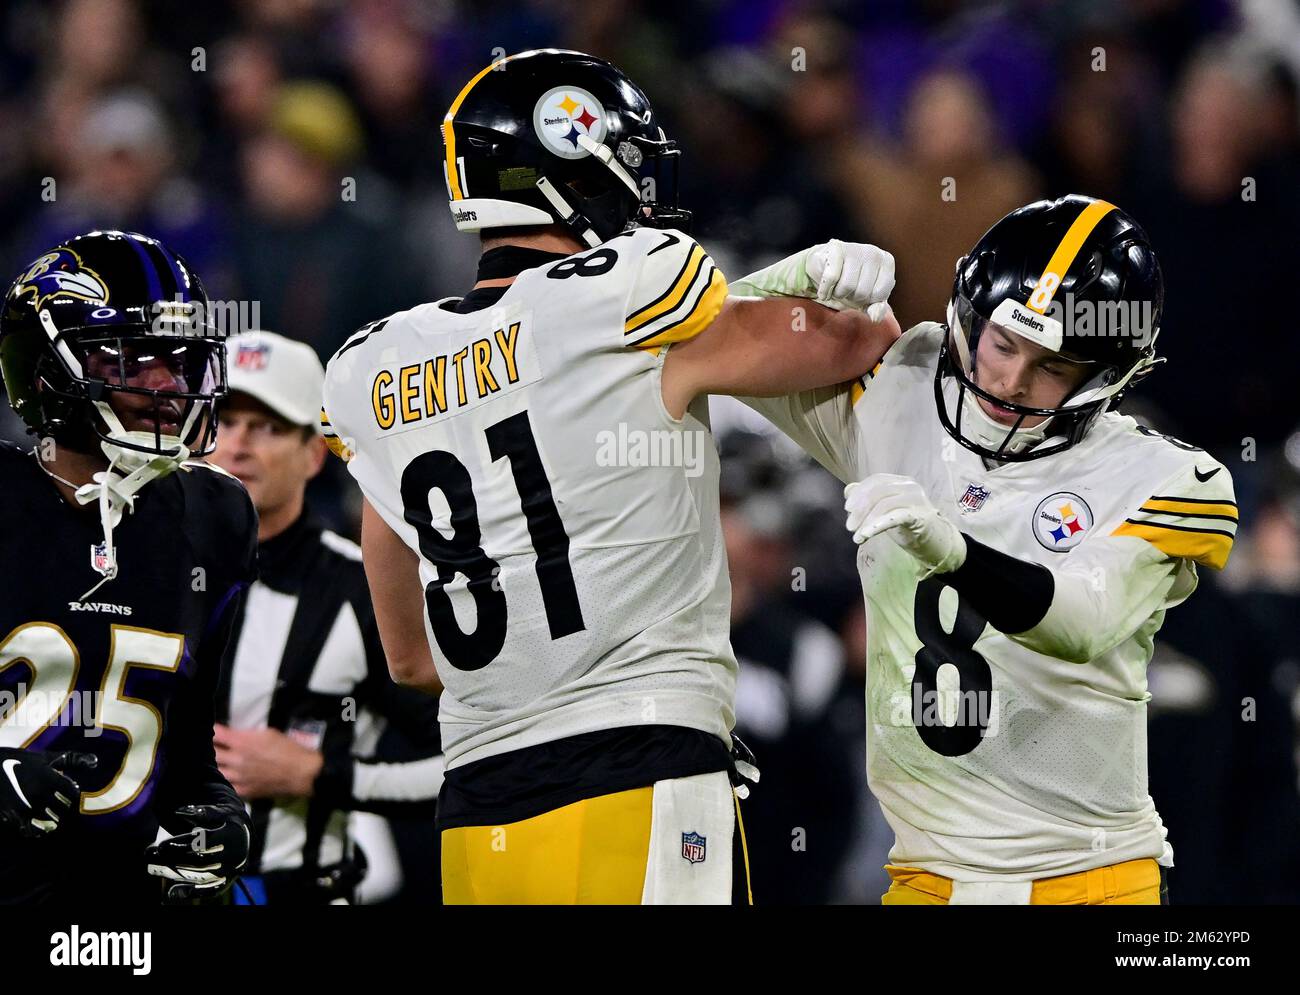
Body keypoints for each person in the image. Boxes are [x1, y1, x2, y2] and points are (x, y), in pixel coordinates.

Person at [320, 48, 900, 904]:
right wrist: (832, 289)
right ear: (574, 165)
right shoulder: (629, 290)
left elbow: (410, 658)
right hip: (641, 762)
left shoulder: (375, 367)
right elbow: (856, 345)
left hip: (479, 801)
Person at [736, 194, 1236, 904]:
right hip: (923, 877)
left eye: (1053, 364)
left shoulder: (1163, 477)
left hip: (1088, 881)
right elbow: (701, 344)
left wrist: (953, 549)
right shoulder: (900, 393)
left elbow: (1082, 621)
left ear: (1107, 376)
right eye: (1003, 343)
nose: (1011, 380)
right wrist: (794, 276)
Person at [0, 230, 254, 905]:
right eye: (135, 360)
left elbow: (187, 748)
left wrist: (220, 818)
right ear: (47, 369)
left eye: (179, 360)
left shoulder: (216, 516)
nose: (169, 385)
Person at [209, 329, 443, 905]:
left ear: (315, 452)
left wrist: (321, 776)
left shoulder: (362, 588)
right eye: (223, 421)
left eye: (264, 426)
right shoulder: (140, 566)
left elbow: (471, 756)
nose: (236, 445)